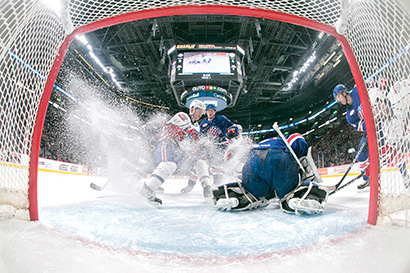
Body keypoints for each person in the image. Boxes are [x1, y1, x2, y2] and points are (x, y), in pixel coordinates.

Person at [212, 133, 329, 215]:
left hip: (252, 161)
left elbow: (241, 161)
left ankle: (238, 196)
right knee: (287, 193)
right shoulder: (283, 140)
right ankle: (295, 198)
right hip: (278, 158)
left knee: (255, 193)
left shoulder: (257, 144)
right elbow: (297, 138)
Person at [139, 99, 211, 207]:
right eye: (199, 111)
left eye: (202, 112)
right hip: (168, 143)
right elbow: (168, 129)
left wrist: (199, 152)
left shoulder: (197, 127)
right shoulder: (182, 116)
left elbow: (194, 146)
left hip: (182, 151)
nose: (200, 114)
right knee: (170, 164)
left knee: (200, 162)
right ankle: (147, 189)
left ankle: (208, 189)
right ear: (192, 109)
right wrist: (184, 133)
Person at [180, 104, 234, 193]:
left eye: (212, 110)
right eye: (208, 110)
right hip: (209, 147)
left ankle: (216, 186)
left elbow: (232, 126)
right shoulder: (203, 124)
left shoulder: (221, 118)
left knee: (217, 165)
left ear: (215, 112)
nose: (210, 112)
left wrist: (232, 131)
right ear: (206, 112)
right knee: (198, 165)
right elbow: (201, 138)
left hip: (221, 146)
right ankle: (189, 187)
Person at [333, 84, 370, 191]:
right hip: (370, 132)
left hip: (381, 121)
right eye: (337, 99)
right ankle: (367, 178)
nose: (339, 100)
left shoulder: (357, 90)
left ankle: (405, 176)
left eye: (339, 96)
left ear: (344, 92)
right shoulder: (350, 115)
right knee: (361, 157)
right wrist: (365, 125)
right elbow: (358, 127)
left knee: (391, 148)